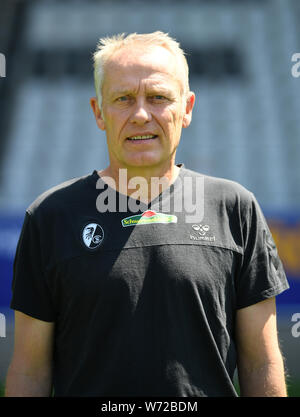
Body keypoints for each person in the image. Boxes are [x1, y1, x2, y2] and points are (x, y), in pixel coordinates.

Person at [5, 32, 289, 397]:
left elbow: (261, 363)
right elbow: (30, 372)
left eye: (158, 98)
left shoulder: (235, 207)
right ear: (99, 112)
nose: (141, 115)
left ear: (186, 108)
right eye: (123, 99)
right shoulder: (50, 217)